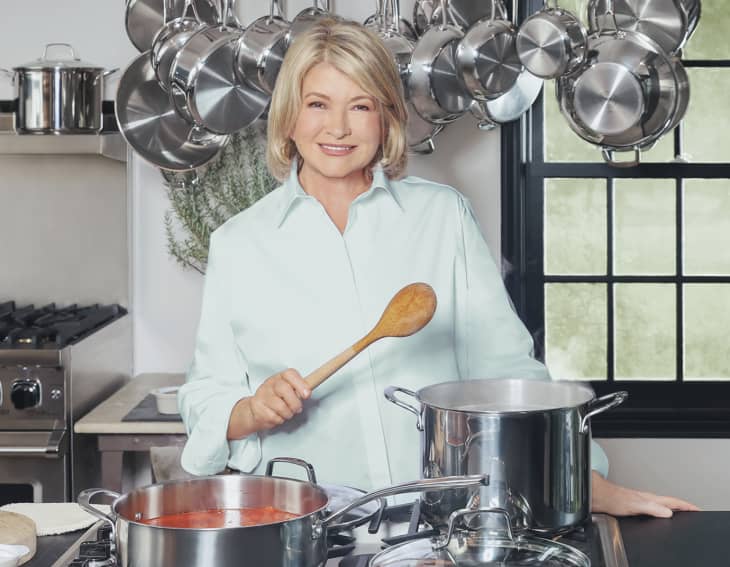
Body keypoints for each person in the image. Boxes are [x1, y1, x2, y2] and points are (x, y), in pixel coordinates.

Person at [178, 17, 697, 518]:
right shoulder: (239, 244)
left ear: (386, 119)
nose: (337, 127)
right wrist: (247, 411)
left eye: (361, 106)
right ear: (289, 116)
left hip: (440, 522)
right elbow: (205, 395)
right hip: (303, 525)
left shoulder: (441, 217)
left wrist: (585, 483)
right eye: (317, 104)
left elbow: (504, 371)